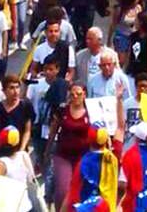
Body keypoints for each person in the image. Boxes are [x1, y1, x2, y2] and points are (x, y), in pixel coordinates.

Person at [45, 82, 90, 212]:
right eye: (72, 94)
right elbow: (53, 130)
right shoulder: (62, 110)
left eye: (78, 94)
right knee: (62, 190)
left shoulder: (91, 111)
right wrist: (47, 151)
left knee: (80, 189)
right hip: (63, 154)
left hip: (83, 156)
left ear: (84, 95)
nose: (75, 97)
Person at [0, 74, 34, 158]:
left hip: (19, 151)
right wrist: (0, 149)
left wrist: (21, 151)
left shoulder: (26, 106)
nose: (15, 91)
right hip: (0, 152)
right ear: (4, 90)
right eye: (11, 88)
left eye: (17, 87)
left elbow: (27, 131)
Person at [0, 126, 34, 212]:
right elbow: (31, 178)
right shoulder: (24, 156)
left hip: (9, 208)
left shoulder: (0, 164)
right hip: (26, 206)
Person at [126, 13, 147, 87]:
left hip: (145, 72)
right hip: (133, 71)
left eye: (136, 20)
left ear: (142, 22)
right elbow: (129, 54)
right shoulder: (133, 36)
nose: (135, 22)